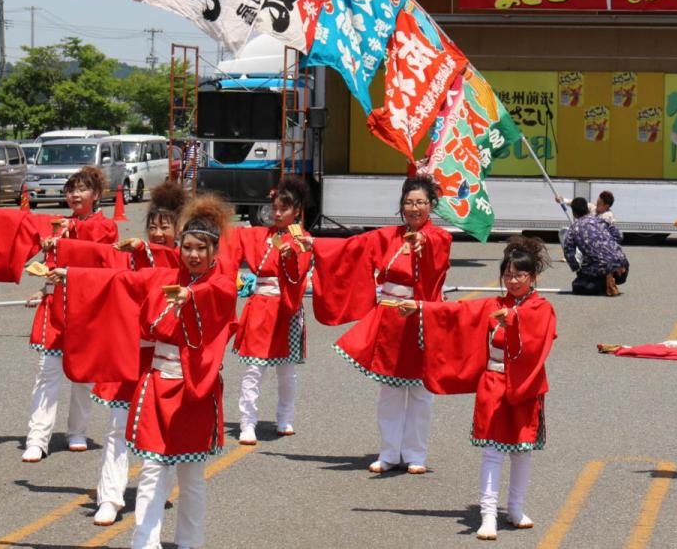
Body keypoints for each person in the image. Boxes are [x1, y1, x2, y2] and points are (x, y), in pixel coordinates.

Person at [55, 194, 238, 549]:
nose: (194, 255)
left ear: (215, 250)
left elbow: (219, 295)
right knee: (153, 471)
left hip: (194, 390)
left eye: (202, 248)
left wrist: (190, 298)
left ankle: (189, 543)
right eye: (187, 247)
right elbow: (118, 281)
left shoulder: (222, 284)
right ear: (179, 247)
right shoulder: (162, 277)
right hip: (156, 387)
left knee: (192, 476)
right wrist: (72, 276)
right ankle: (144, 543)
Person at [0, 165, 119, 462]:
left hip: (89, 309)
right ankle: (37, 438)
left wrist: (63, 237)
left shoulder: (104, 227)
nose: (75, 194)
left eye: (82, 189)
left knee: (83, 376)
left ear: (96, 195)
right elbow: (23, 222)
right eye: (71, 189)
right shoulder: (59, 224)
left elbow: (98, 252)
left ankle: (78, 431)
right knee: (47, 373)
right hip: (56, 306)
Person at [408, 236, 557, 540]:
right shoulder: (493, 304)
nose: (513, 281)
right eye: (508, 275)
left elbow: (540, 332)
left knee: (521, 451)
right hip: (494, 381)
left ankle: (515, 508)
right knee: (492, 452)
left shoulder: (542, 307)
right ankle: (488, 514)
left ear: (533, 277)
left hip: (525, 386)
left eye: (520, 275)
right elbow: (459, 312)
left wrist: (514, 317)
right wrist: (422, 306)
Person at [306, 175, 452, 474]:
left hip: (420, 316)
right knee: (391, 390)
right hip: (390, 321)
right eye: (409, 202)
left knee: (421, 392)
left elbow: (436, 247)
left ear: (431, 206)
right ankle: (388, 451)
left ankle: (416, 454)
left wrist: (421, 240)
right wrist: (313, 243)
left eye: (421, 202)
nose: (415, 208)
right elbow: (352, 248)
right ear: (402, 205)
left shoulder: (439, 237)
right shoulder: (388, 237)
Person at [90, 180, 187, 527]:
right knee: (117, 428)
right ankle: (110, 498)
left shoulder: (184, 261)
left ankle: (157, 491)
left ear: (178, 229)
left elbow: (166, 265)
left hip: (165, 360)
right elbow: (99, 269)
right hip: (130, 354)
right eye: (152, 226)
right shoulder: (132, 254)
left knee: (160, 431)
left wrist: (144, 252)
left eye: (165, 226)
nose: (157, 233)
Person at [222, 177, 313, 446]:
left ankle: (285, 417)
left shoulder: (303, 238)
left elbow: (301, 270)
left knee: (286, 370)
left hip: (287, 307)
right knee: (254, 369)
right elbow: (229, 236)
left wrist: (290, 254)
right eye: (274, 207)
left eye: (284, 209)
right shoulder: (258, 234)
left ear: (296, 211)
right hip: (261, 306)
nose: (277, 213)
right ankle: (247, 423)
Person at [561, 197, 627, 296]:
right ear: (588, 209)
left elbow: (568, 251)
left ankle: (604, 283)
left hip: (600, 269)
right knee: (606, 264)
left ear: (574, 213)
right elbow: (619, 236)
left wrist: (576, 268)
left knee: (578, 286)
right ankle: (611, 274)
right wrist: (609, 247)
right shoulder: (602, 220)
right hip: (623, 266)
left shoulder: (573, 229)